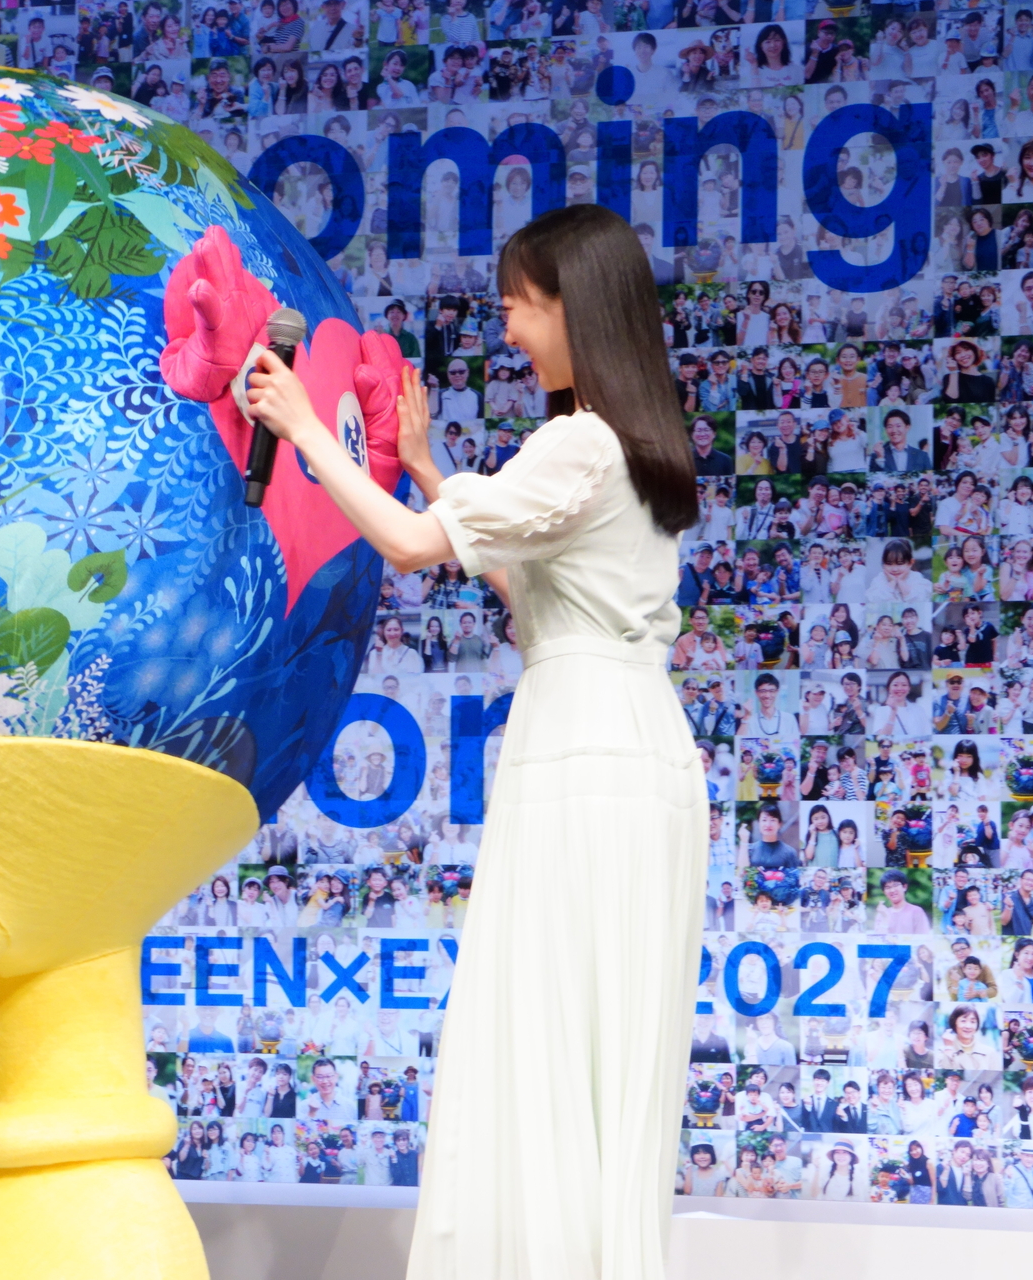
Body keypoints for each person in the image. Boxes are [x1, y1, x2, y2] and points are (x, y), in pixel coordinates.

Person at [248, 204, 705, 1279]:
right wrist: (422, 458)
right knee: (600, 1061)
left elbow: (414, 549)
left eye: (519, 302)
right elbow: (521, 572)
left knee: (540, 1042)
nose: (506, 326)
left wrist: (305, 426)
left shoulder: (578, 441)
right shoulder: (633, 446)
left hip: (583, 764)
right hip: (634, 754)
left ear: (570, 302)